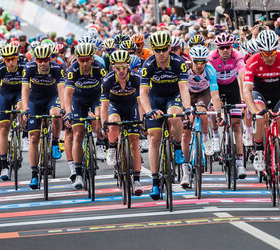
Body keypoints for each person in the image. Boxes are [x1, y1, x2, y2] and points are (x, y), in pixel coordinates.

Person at [243, 30, 280, 192]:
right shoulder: (253, 61)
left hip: (279, 94)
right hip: (259, 93)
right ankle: (259, 148)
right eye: (265, 53)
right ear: (259, 51)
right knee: (261, 117)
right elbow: (247, 91)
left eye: (273, 52)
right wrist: (254, 112)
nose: (269, 56)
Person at [138, 31, 191, 200]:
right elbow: (143, 93)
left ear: (170, 48)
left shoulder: (178, 62)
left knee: (175, 115)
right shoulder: (148, 65)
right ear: (152, 49)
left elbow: (183, 88)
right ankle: (154, 183)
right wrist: (148, 112)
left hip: (173, 96)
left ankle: (177, 147)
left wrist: (188, 108)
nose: (161, 54)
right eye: (157, 50)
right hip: (155, 99)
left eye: (164, 49)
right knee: (154, 138)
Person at [63, 43, 107, 190]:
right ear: (78, 60)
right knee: (78, 133)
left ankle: (101, 140)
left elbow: (106, 91)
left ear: (92, 59)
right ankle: (78, 173)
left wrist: (103, 115)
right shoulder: (73, 69)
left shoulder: (99, 68)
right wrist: (68, 112)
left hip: (96, 98)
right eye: (82, 60)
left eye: (88, 60)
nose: (85, 63)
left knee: (100, 114)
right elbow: (68, 94)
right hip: (78, 100)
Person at [100, 50, 144, 196]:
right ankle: (112, 147)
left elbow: (140, 101)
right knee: (113, 123)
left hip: (131, 107)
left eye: (124, 67)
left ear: (128, 66)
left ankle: (137, 179)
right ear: (113, 67)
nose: (121, 71)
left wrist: (141, 120)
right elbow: (104, 106)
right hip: (115, 107)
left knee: (134, 143)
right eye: (117, 68)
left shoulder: (137, 77)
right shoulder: (107, 80)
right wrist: (103, 124)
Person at [21, 45, 65, 189]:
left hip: (52, 98)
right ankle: (34, 174)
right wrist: (25, 108)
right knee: (34, 138)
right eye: (39, 60)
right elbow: (25, 89)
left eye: (45, 60)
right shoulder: (29, 68)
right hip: (35, 101)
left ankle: (55, 142)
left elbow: (61, 90)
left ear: (50, 59)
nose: (43, 63)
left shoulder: (57, 68)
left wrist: (64, 108)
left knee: (56, 114)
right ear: (36, 60)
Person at [180, 45, 223, 187]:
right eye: (196, 61)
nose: (199, 65)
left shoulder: (210, 71)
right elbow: (180, 89)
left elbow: (215, 95)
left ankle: (205, 137)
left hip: (203, 94)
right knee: (185, 135)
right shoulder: (184, 69)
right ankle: (185, 171)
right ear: (191, 60)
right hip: (187, 94)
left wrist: (218, 113)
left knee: (202, 112)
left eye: (202, 62)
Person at [208, 32, 248, 179]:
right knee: (214, 109)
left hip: (232, 87)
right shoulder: (211, 58)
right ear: (217, 48)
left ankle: (240, 162)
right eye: (222, 47)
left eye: (228, 47)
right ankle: (216, 136)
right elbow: (210, 83)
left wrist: (243, 98)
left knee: (237, 125)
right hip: (216, 86)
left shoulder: (237, 55)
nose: (225, 50)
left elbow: (242, 76)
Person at [0, 44, 26, 181]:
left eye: (12, 59)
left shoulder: (24, 67)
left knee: (22, 107)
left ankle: (24, 134)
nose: (10, 62)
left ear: (17, 58)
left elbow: (28, 88)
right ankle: (4, 165)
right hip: (5, 95)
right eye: (7, 59)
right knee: (4, 128)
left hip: (19, 94)